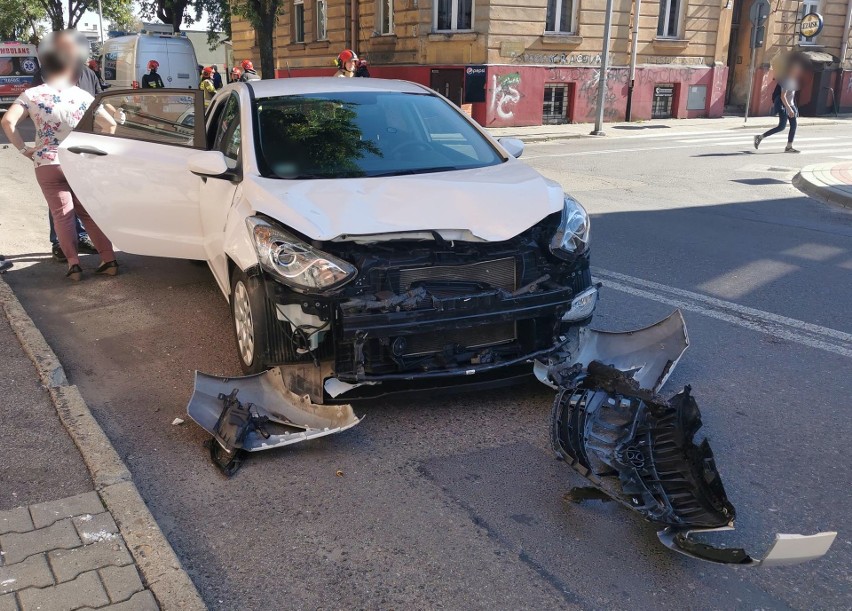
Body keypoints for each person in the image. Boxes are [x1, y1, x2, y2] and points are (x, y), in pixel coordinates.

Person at [1, 47, 119, 281]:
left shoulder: (32, 95)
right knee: (87, 213)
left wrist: (25, 150)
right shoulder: (83, 96)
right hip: (78, 159)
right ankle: (109, 260)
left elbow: (7, 121)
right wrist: (95, 151)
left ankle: (74, 266)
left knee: (62, 214)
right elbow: (111, 124)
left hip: (46, 161)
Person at [34, 29, 100, 261]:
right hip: (56, 150)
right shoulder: (46, 74)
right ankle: (60, 244)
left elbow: (99, 104)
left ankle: (79, 238)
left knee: (82, 198)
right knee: (60, 200)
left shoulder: (89, 74)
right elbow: (36, 103)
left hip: (83, 148)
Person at [754, 53, 809, 154]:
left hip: (791, 105)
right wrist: (789, 108)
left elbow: (791, 96)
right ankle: (760, 137)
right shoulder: (786, 80)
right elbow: (783, 96)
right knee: (781, 127)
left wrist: (794, 108)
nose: (798, 71)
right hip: (784, 106)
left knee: (793, 125)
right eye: (797, 69)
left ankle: (789, 146)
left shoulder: (794, 80)